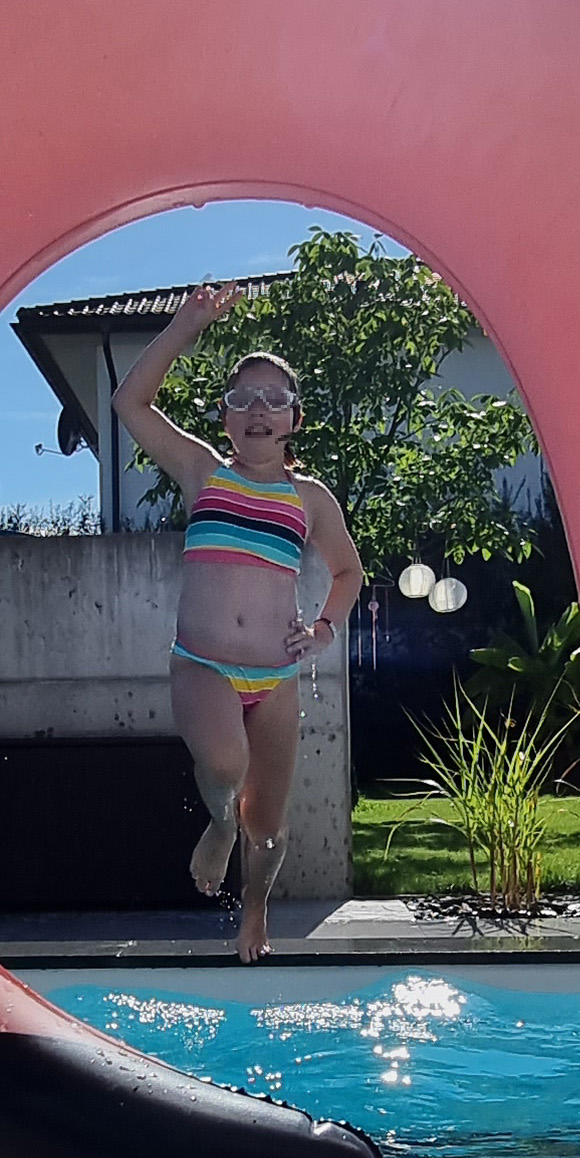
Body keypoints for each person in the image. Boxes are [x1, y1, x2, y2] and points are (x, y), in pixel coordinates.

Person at [113, 285, 364, 962]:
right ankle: (219, 824)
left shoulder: (309, 499)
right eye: (243, 398)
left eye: (273, 399)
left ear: (293, 420)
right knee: (227, 764)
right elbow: (130, 403)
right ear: (224, 417)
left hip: (276, 677)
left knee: (271, 826)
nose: (258, 409)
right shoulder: (202, 471)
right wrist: (185, 324)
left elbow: (348, 572)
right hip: (204, 663)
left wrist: (323, 630)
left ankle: (254, 911)